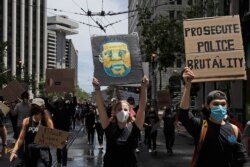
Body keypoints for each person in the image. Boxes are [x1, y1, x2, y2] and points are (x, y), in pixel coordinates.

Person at [179, 67, 248, 167]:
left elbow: (242, 157)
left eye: (223, 104)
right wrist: (188, 85)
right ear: (208, 106)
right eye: (215, 104)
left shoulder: (234, 130)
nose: (220, 107)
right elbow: (184, 114)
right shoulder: (201, 126)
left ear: (227, 106)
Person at [92, 76, 148, 167]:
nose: (123, 111)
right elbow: (101, 108)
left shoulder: (135, 127)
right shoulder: (108, 126)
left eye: (125, 109)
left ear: (130, 112)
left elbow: (142, 108)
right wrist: (97, 89)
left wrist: (144, 87)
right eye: (119, 109)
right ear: (114, 112)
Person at [9, 98, 54, 167]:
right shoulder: (27, 121)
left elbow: (53, 134)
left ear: (42, 108)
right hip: (29, 153)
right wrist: (13, 151)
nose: (35, 108)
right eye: (33, 106)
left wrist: (45, 113)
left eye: (37, 106)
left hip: (42, 154)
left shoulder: (46, 120)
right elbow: (21, 139)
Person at [45, 95, 77, 167]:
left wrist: (74, 95)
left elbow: (74, 105)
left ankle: (63, 163)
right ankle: (59, 162)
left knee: (63, 148)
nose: (60, 104)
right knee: (59, 148)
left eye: (61, 102)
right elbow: (48, 105)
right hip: (58, 131)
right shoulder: (56, 110)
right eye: (59, 103)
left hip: (64, 132)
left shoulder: (66, 110)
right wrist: (46, 95)